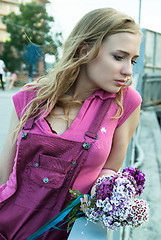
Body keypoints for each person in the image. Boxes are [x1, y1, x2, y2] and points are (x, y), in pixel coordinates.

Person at [0, 8, 142, 240]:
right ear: (85, 50)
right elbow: (5, 175)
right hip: (7, 227)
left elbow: (110, 169)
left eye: (133, 60)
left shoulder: (126, 103)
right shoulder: (30, 97)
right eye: (119, 57)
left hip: (70, 233)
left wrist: (111, 192)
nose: (128, 71)